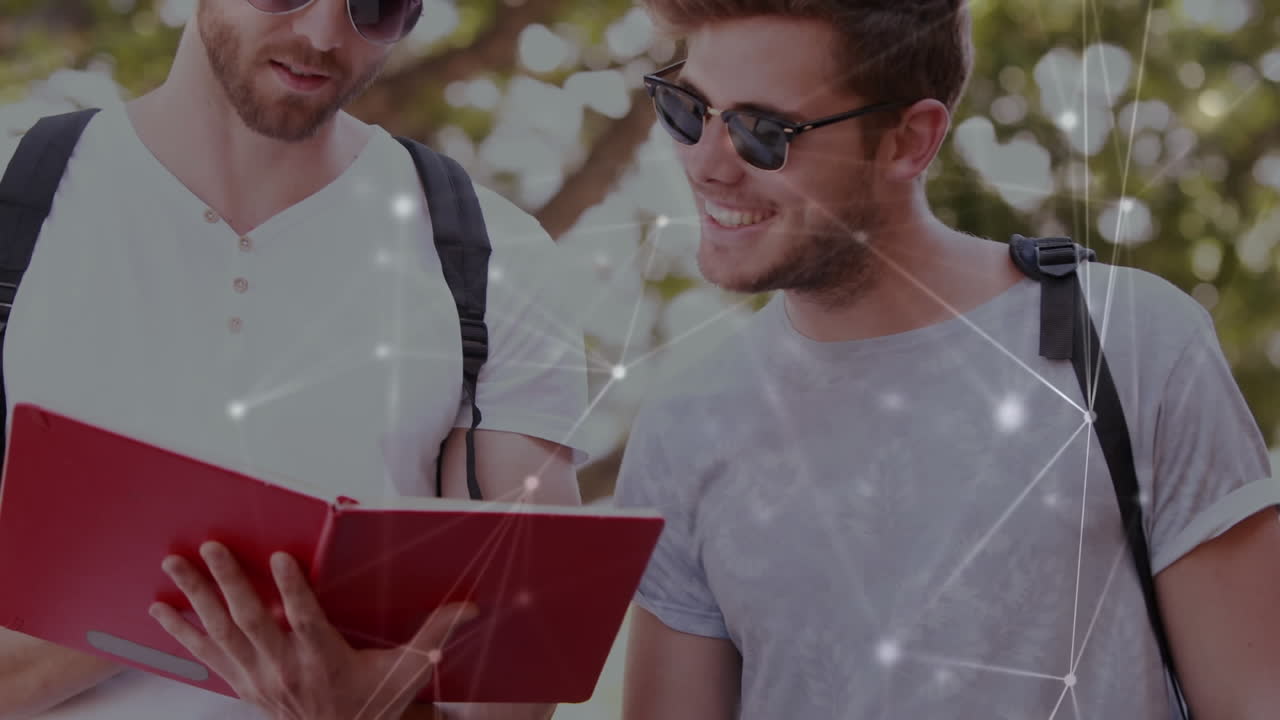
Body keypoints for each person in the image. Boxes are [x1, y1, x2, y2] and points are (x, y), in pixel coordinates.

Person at [613, 1, 1280, 718]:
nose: (706, 164)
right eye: (688, 109)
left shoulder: (1131, 342)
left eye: (762, 132)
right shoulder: (683, 430)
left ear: (910, 140)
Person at [0, 1, 588, 719]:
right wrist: (183, 602)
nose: (322, 36)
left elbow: (522, 681)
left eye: (375, 6)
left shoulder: (499, 260)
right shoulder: (16, 199)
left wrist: (365, 704)